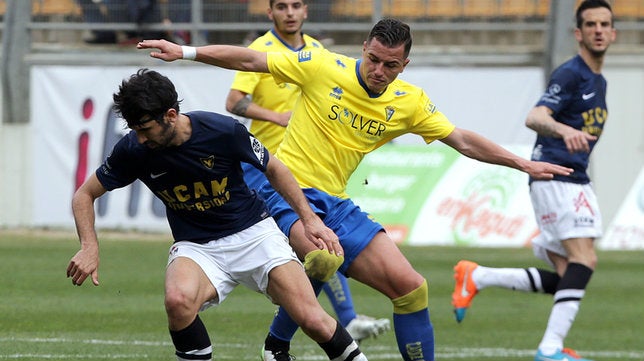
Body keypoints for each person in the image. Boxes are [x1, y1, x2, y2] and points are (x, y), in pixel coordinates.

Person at [137, 18, 571, 361]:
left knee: (412, 288)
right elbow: (251, 61)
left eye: (391, 65)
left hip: (335, 201)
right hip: (282, 192)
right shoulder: (323, 65)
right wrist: (186, 52)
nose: (379, 71)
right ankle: (277, 344)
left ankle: (276, 343)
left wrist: (520, 162)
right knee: (323, 257)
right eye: (375, 60)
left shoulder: (409, 102)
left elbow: (461, 139)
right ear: (364, 48)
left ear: (405, 65)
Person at [65, 68, 369, 361]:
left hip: (254, 234)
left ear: (170, 115)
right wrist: (89, 246)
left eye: (145, 129)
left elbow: (274, 169)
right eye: (135, 130)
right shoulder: (133, 149)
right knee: (177, 301)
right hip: (197, 246)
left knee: (312, 319)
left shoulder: (222, 131)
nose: (140, 138)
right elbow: (84, 195)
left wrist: (309, 219)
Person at [450, 1, 616, 361]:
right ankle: (549, 348)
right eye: (591, 24)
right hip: (556, 177)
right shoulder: (571, 74)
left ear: (613, 32)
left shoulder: (598, 80)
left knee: (568, 276)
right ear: (579, 33)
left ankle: (477, 277)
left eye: (605, 24)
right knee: (584, 261)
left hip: (574, 180)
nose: (598, 30)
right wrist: (561, 128)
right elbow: (535, 115)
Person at [224, 0, 390, 343]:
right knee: (312, 243)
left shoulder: (317, 52)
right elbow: (234, 101)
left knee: (322, 242)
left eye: (295, 5)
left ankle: (327, 323)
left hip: (306, 167)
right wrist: (275, 116)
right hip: (265, 165)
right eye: (281, 6)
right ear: (270, 13)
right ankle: (305, 323)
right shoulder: (261, 48)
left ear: (305, 12)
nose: (289, 12)